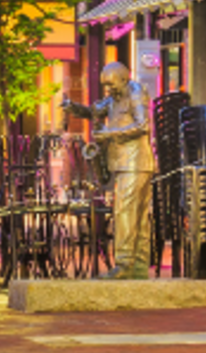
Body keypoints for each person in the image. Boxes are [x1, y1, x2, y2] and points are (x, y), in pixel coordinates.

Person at [65, 59, 155, 279]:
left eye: (111, 85)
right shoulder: (115, 96)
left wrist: (110, 135)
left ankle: (124, 265)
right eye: (106, 85)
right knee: (138, 215)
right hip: (126, 163)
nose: (108, 89)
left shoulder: (135, 92)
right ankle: (139, 267)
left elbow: (143, 126)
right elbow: (95, 111)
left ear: (124, 79)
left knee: (124, 211)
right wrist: (74, 108)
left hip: (135, 162)